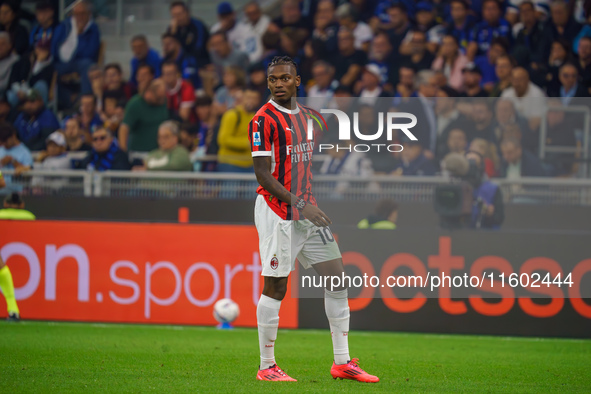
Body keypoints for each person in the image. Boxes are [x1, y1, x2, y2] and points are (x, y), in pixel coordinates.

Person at [248, 56, 379, 383]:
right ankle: (267, 367)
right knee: (276, 285)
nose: (278, 83)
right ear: (268, 83)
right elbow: (263, 175)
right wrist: (301, 203)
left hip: (306, 211)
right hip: (279, 211)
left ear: (297, 81)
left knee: (337, 278)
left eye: (284, 78)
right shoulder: (262, 121)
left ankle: (342, 362)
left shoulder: (308, 118)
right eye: (273, 79)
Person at [51, 0, 101, 97]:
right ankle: (69, 100)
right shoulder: (64, 26)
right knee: (47, 69)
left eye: (82, 14)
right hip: (60, 63)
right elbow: (54, 47)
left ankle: (86, 99)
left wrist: (80, 35)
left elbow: (90, 53)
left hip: (79, 63)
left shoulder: (93, 29)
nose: (79, 17)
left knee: (88, 66)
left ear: (89, 14)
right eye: (76, 14)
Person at [0, 192, 35, 321]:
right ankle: (13, 310)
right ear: (22, 205)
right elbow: (2, 181)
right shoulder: (30, 216)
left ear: (5, 204)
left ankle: (13, 310)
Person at [119, 79, 169, 152]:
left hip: (160, 152)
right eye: (158, 98)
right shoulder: (135, 104)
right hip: (139, 153)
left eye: (162, 97)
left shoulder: (163, 101)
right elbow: (124, 128)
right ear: (149, 92)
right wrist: (123, 152)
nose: (162, 101)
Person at [217, 88, 260, 172]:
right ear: (243, 98)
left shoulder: (256, 118)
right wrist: (245, 143)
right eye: (248, 98)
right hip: (230, 163)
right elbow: (223, 139)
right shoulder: (232, 115)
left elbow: (256, 140)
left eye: (254, 98)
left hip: (250, 164)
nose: (251, 101)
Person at [464, 150, 504, 229]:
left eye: (475, 164)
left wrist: (490, 215)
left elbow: (499, 219)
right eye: (468, 165)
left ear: (481, 167)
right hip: (460, 233)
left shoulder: (493, 189)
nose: (472, 169)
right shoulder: (456, 187)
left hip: (485, 235)